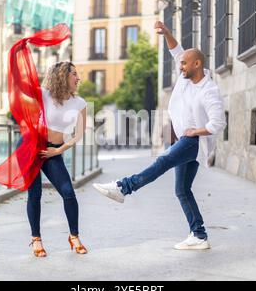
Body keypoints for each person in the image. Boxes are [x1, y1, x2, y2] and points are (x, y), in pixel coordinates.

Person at [93, 21, 227, 250]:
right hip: (185, 140)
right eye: (181, 63)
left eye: (185, 64)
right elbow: (176, 51)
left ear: (197, 64)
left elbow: (218, 123)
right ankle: (199, 235)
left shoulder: (209, 90)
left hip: (193, 142)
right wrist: (166, 33)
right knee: (182, 190)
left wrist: (195, 131)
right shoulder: (186, 80)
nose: (181, 67)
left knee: (163, 161)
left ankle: (123, 187)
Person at [18, 61, 88, 257]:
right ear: (62, 76)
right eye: (74, 74)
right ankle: (36, 240)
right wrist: (18, 55)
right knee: (35, 194)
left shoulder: (80, 103)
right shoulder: (45, 95)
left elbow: (79, 134)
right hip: (32, 147)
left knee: (68, 192)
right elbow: (22, 85)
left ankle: (74, 236)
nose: (78, 78)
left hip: (53, 151)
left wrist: (58, 151)